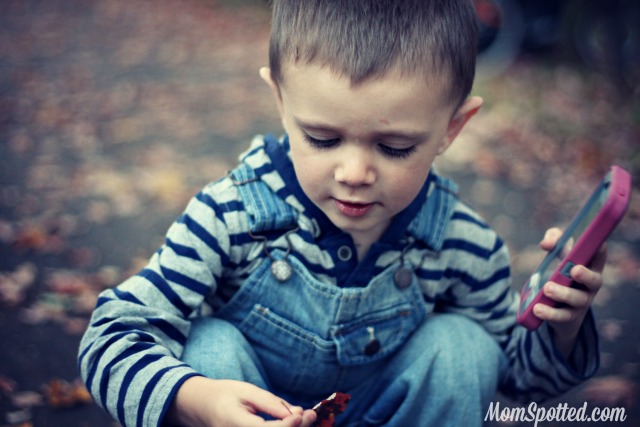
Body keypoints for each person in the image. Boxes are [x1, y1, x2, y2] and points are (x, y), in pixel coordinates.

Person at [78, 1, 604, 426]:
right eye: (323, 138)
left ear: (452, 127)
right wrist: (196, 399)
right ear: (282, 103)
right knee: (207, 347)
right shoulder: (230, 213)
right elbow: (111, 338)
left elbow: (513, 378)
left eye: (394, 147)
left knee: (466, 347)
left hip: (388, 411)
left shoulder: (460, 242)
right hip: (245, 411)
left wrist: (562, 326)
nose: (354, 172)